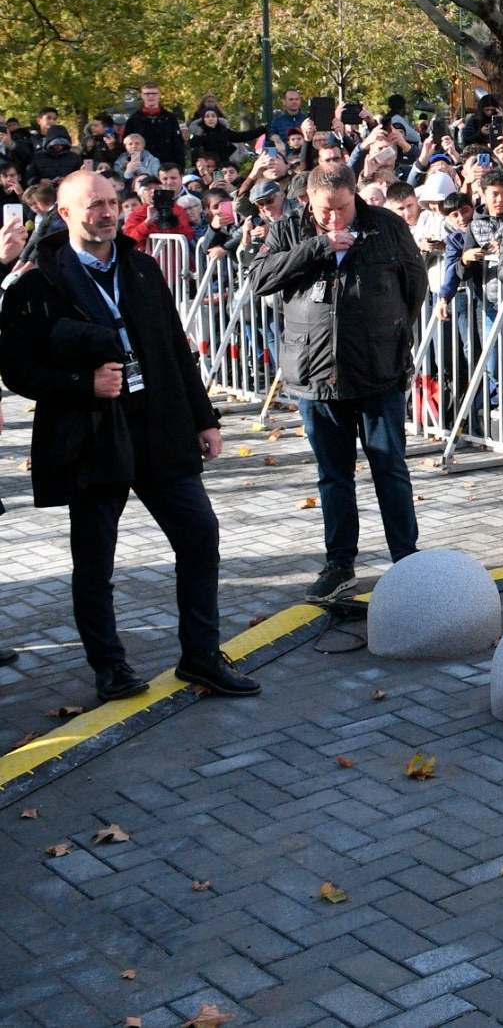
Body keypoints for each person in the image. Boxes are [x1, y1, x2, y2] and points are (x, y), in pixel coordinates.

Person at [0, 169, 258, 699]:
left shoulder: (141, 269)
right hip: (91, 436)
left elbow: (175, 348)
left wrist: (204, 417)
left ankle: (201, 656)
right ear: (65, 213)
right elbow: (16, 372)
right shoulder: (35, 285)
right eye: (93, 204)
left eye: (112, 202)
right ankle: (110, 667)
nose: (107, 212)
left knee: (199, 536)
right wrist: (82, 384)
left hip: (159, 427)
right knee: (95, 560)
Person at [248, 166, 430, 597]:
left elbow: (414, 286)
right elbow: (259, 278)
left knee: (390, 467)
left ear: (356, 198)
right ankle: (339, 562)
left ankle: (407, 558)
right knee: (334, 475)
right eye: (325, 212)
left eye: (343, 210)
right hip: (316, 374)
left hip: (377, 371)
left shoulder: (386, 226)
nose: (335, 219)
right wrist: (317, 248)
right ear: (308, 201)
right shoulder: (290, 228)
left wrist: (389, 333)